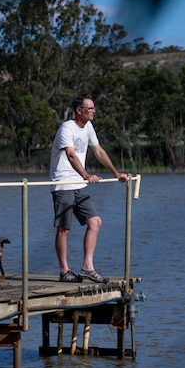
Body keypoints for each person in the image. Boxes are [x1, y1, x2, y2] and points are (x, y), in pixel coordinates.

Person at [49, 94, 127, 283]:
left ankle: (87, 268)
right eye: (90, 108)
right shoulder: (67, 128)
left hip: (79, 184)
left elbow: (98, 151)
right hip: (64, 183)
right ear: (79, 110)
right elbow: (71, 155)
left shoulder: (88, 127)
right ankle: (64, 270)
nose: (94, 111)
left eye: (93, 108)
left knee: (95, 222)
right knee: (64, 228)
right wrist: (86, 175)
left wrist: (116, 173)